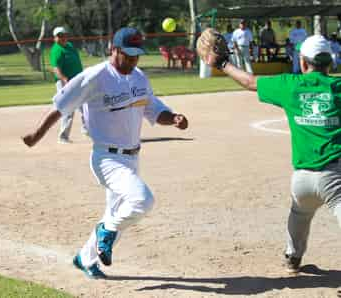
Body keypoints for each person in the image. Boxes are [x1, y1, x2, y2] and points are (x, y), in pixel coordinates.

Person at [22, 27, 189, 279]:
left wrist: (173, 117)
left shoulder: (139, 77)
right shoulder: (95, 76)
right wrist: (36, 134)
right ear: (114, 49)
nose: (133, 60)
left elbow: (153, 109)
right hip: (107, 158)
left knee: (118, 215)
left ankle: (85, 259)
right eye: (128, 54)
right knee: (141, 201)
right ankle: (105, 231)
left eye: (137, 55)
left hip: (132, 157)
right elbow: (60, 105)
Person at [203, 34, 341, 274]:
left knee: (300, 213)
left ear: (304, 62)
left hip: (302, 180)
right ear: (329, 62)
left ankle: (293, 256)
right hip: (334, 178)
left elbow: (250, 82)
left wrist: (222, 63)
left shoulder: (290, 85)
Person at [50, 26, 87, 143]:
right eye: (59, 36)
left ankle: (87, 129)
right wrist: (64, 79)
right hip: (65, 82)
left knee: (85, 105)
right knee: (68, 108)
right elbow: (55, 68)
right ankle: (63, 136)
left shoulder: (70, 46)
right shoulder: (56, 50)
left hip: (77, 81)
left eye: (64, 35)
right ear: (55, 38)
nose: (62, 37)